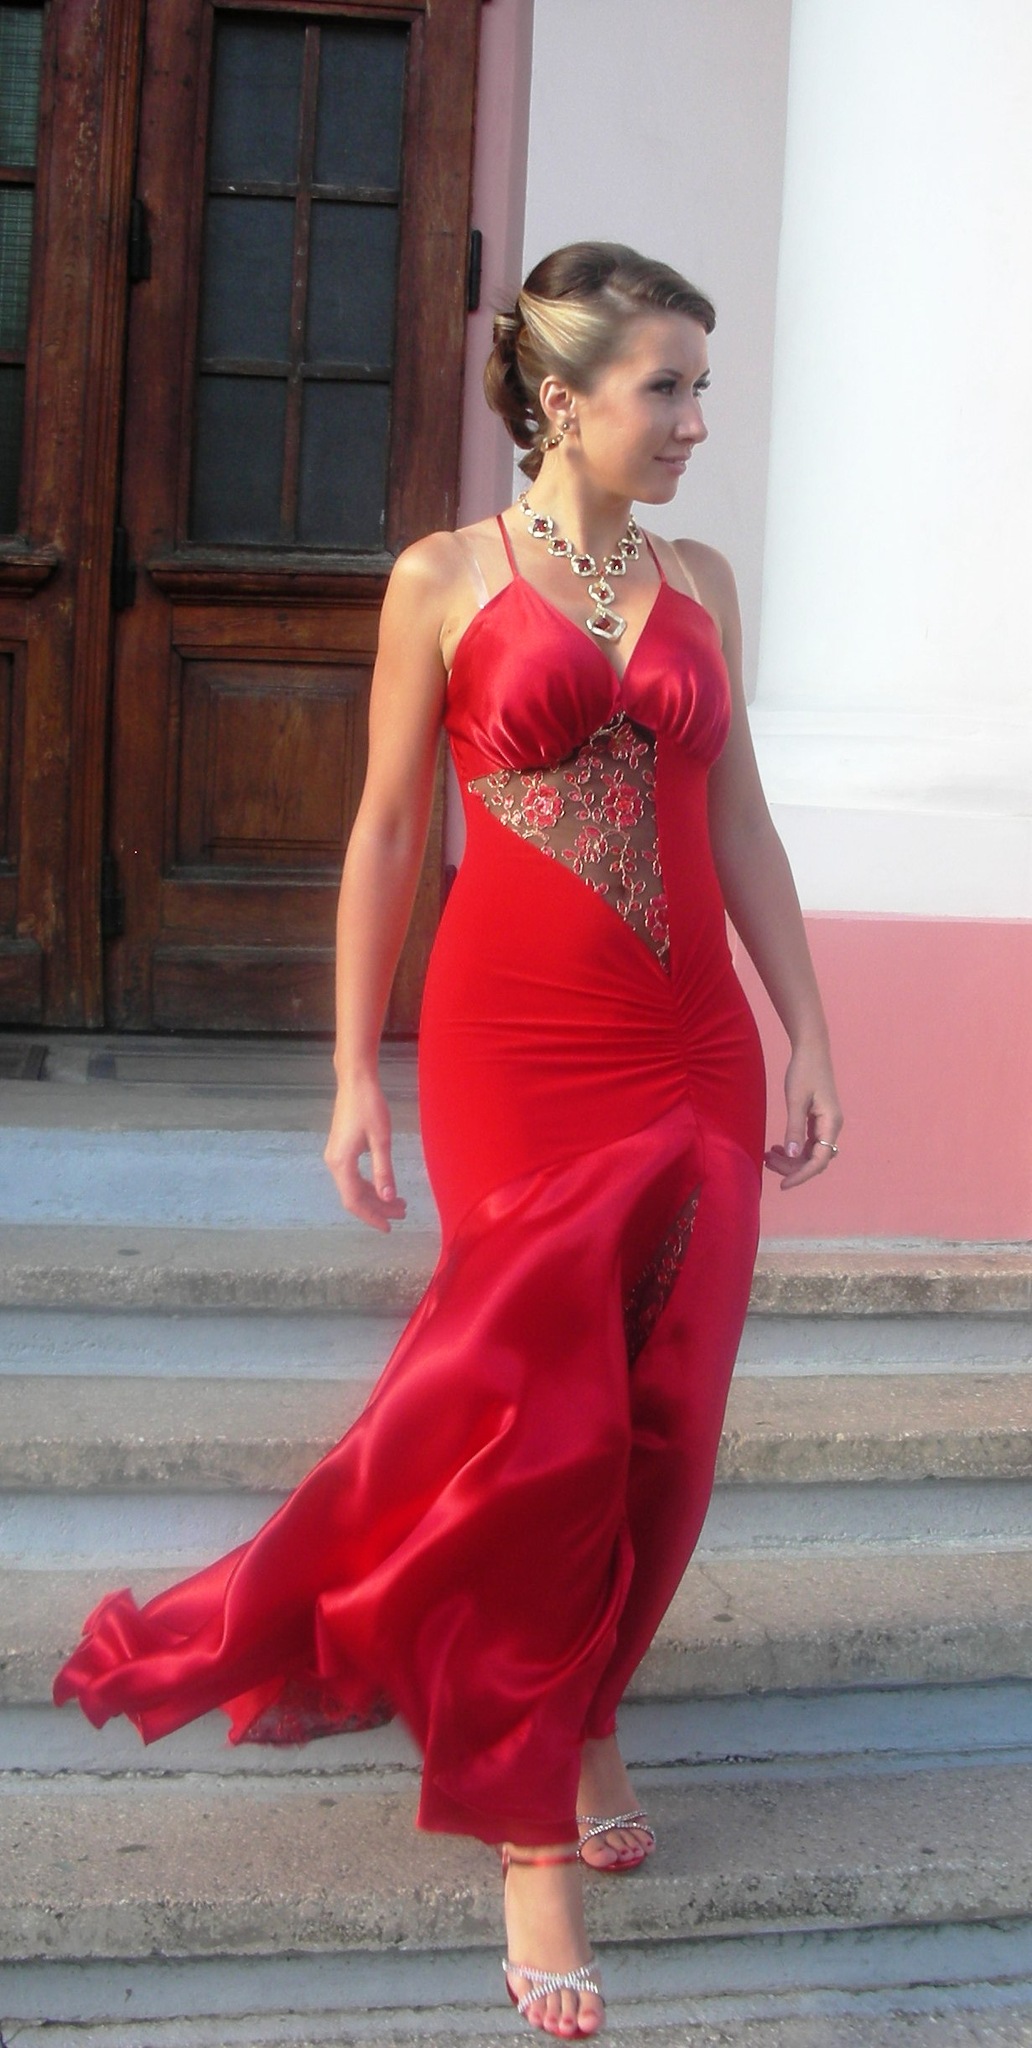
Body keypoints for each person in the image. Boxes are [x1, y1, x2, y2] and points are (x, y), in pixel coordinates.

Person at [54, 243, 841, 2041]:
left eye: (702, 389)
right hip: (521, 1051)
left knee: (670, 1423)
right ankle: (529, 1828)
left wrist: (812, 1028)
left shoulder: (704, 580)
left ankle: (592, 1707)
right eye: (667, 388)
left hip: (696, 1051)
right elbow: (391, 830)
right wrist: (353, 1072)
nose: (695, 423)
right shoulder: (444, 578)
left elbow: (742, 823)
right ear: (562, 398)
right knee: (546, 1427)